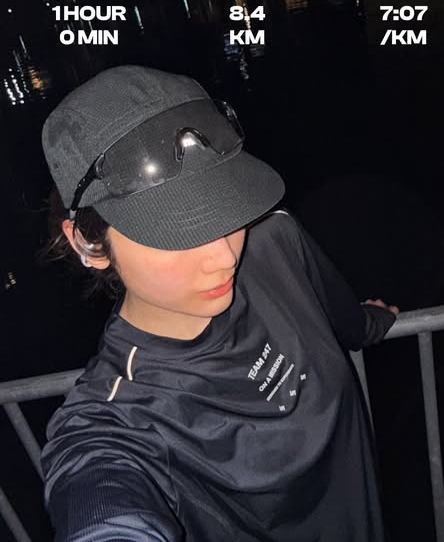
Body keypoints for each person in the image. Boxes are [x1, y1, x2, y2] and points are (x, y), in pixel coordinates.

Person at [41, 65, 399, 542]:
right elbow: (101, 496)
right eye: (173, 232)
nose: (224, 257)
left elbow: (344, 320)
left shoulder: (273, 241)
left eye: (224, 209)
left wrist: (374, 321)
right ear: (89, 244)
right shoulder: (119, 420)